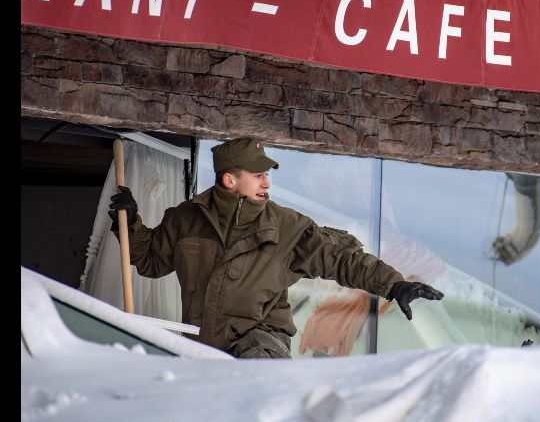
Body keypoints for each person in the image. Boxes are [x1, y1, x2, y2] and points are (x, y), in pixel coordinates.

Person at [108, 137, 444, 359]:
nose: (267, 183)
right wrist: (131, 224)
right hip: (204, 346)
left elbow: (342, 259)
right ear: (230, 180)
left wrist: (394, 284)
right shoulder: (186, 220)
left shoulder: (285, 227)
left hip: (261, 344)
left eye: (267, 175)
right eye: (257, 175)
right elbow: (151, 262)